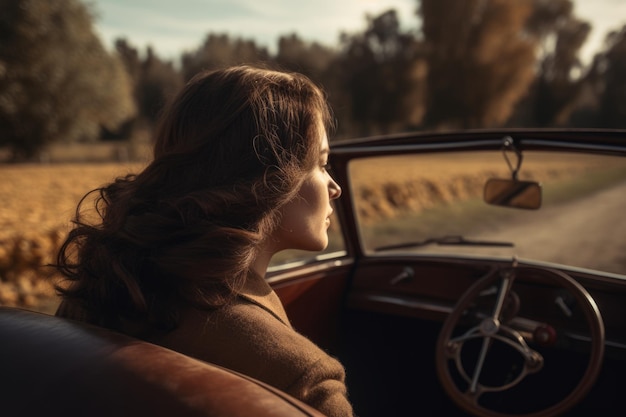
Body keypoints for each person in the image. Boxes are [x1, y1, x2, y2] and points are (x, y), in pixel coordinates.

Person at [54, 65, 353, 417]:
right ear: (268, 179)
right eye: (321, 164)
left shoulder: (95, 294)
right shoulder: (301, 379)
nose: (335, 187)